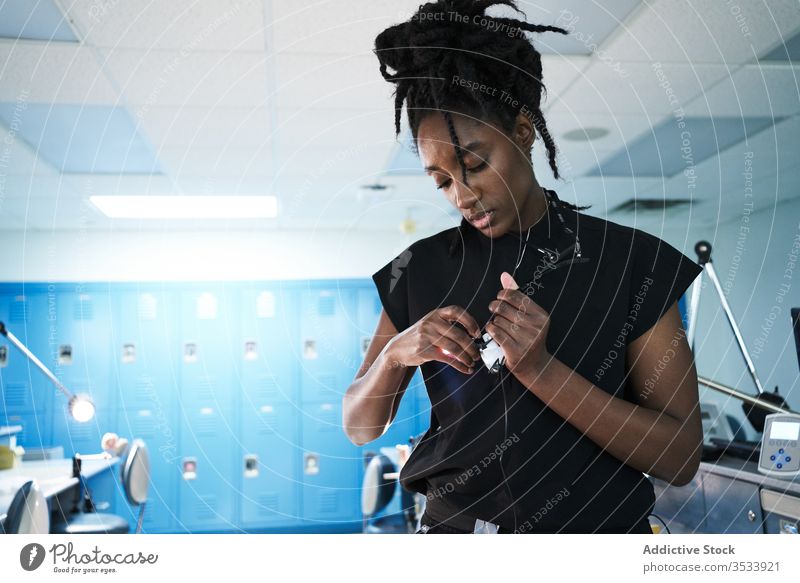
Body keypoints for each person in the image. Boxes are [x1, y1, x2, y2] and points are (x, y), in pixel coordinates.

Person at [342, 0, 703, 534]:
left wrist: (540, 370)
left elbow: (680, 457)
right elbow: (359, 426)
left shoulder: (631, 262)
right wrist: (396, 353)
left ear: (522, 130)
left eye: (475, 164)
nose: (462, 195)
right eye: (441, 181)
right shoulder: (420, 269)